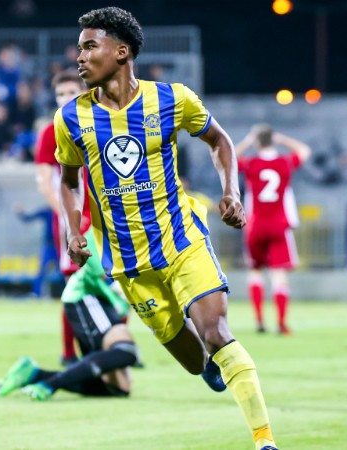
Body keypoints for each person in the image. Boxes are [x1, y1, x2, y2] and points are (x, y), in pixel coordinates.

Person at [54, 8, 278, 449]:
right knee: (195, 361)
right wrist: (72, 228)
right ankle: (209, 366)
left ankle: (264, 440)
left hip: (181, 241)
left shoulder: (173, 99)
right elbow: (68, 180)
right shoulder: (71, 119)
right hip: (129, 263)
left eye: (89, 46)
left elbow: (220, 140)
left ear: (121, 52)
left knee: (216, 331)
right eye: (79, 49)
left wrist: (231, 191)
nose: (79, 57)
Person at [0, 230, 139, 401]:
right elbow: (92, 252)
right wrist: (116, 284)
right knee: (126, 352)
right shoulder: (108, 225)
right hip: (86, 296)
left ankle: (34, 375)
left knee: (119, 388)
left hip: (106, 303)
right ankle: (49, 385)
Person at [34, 71, 90, 365]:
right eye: (60, 94)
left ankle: (115, 344)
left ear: (83, 92)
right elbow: (44, 182)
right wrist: (70, 218)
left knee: (117, 281)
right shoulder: (50, 132)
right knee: (75, 284)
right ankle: (69, 352)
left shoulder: (99, 122)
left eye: (71, 92)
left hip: (106, 216)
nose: (65, 98)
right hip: (74, 219)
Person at [235, 125, 311, 335]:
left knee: (255, 272)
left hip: (255, 225)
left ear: (257, 142)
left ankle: (259, 320)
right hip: (279, 224)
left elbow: (230, 157)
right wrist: (283, 139)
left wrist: (247, 141)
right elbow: (305, 151)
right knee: (279, 275)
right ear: (272, 140)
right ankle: (281, 323)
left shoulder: (251, 164)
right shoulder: (285, 162)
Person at [13, 203, 58, 297]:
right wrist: (20, 213)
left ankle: (66, 294)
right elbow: (28, 218)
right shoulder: (47, 211)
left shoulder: (63, 211)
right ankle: (36, 293)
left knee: (65, 270)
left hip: (61, 245)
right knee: (42, 270)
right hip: (49, 245)